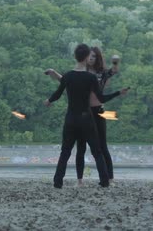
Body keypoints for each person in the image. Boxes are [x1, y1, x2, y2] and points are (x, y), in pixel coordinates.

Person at [43, 44, 129, 188]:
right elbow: (101, 98)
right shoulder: (90, 77)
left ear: (76, 57)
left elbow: (57, 94)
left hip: (71, 118)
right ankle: (104, 181)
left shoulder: (68, 76)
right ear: (85, 58)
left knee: (65, 152)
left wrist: (48, 101)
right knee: (97, 151)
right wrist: (118, 93)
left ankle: (58, 182)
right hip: (86, 118)